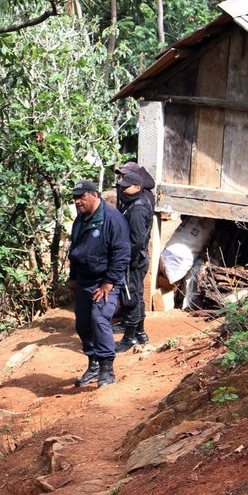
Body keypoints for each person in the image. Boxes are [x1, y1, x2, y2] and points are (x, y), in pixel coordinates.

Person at [68, 179, 131, 387]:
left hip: (105, 281)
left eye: (82, 196)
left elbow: (122, 253)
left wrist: (109, 282)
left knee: (99, 318)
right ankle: (93, 365)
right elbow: (75, 251)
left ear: (94, 194)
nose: (78, 201)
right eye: (75, 197)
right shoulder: (81, 219)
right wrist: (73, 277)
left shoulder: (113, 219)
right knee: (83, 323)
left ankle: (107, 369)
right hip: (84, 280)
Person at [114, 162, 156, 351]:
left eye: (125, 187)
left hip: (134, 259)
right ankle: (139, 333)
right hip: (137, 257)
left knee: (131, 297)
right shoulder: (135, 202)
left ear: (137, 187)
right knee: (136, 295)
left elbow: (137, 240)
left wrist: (125, 260)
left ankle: (129, 338)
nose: (121, 189)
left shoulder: (137, 208)